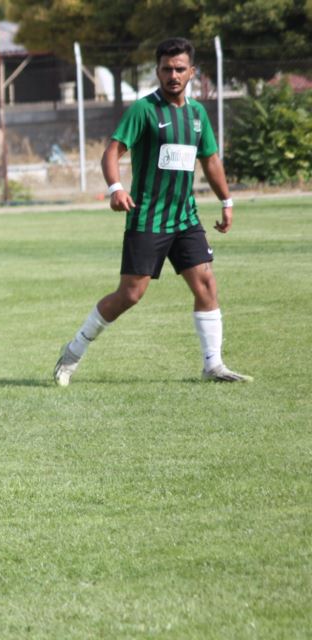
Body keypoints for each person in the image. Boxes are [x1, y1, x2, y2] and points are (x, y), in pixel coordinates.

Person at [54, 38, 251, 386]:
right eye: (166, 69)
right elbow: (112, 151)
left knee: (206, 284)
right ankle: (72, 353)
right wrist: (115, 188)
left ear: (192, 71)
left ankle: (213, 365)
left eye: (179, 69)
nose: (173, 75)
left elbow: (211, 160)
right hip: (148, 217)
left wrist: (227, 201)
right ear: (158, 71)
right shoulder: (143, 110)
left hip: (185, 217)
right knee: (131, 294)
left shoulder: (197, 114)